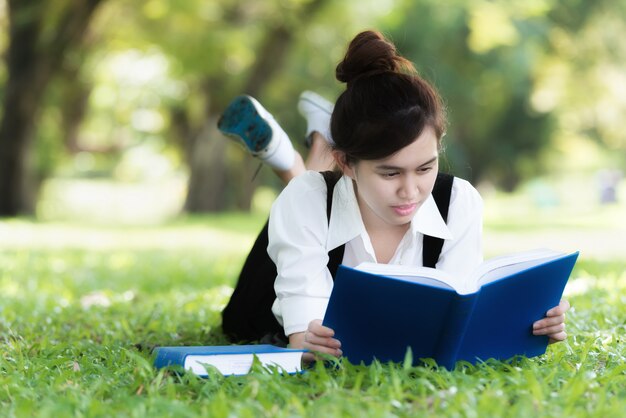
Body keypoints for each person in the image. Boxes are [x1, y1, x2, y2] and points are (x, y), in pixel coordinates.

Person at [218, 30, 569, 362]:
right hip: (268, 297)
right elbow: (307, 341)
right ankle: (307, 153)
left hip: (333, 192)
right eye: (390, 172)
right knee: (305, 191)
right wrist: (310, 337)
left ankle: (316, 144)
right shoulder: (304, 202)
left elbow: (458, 320)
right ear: (347, 164)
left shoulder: (459, 202)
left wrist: (527, 325)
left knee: (310, 189)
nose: (411, 191)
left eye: (425, 168)